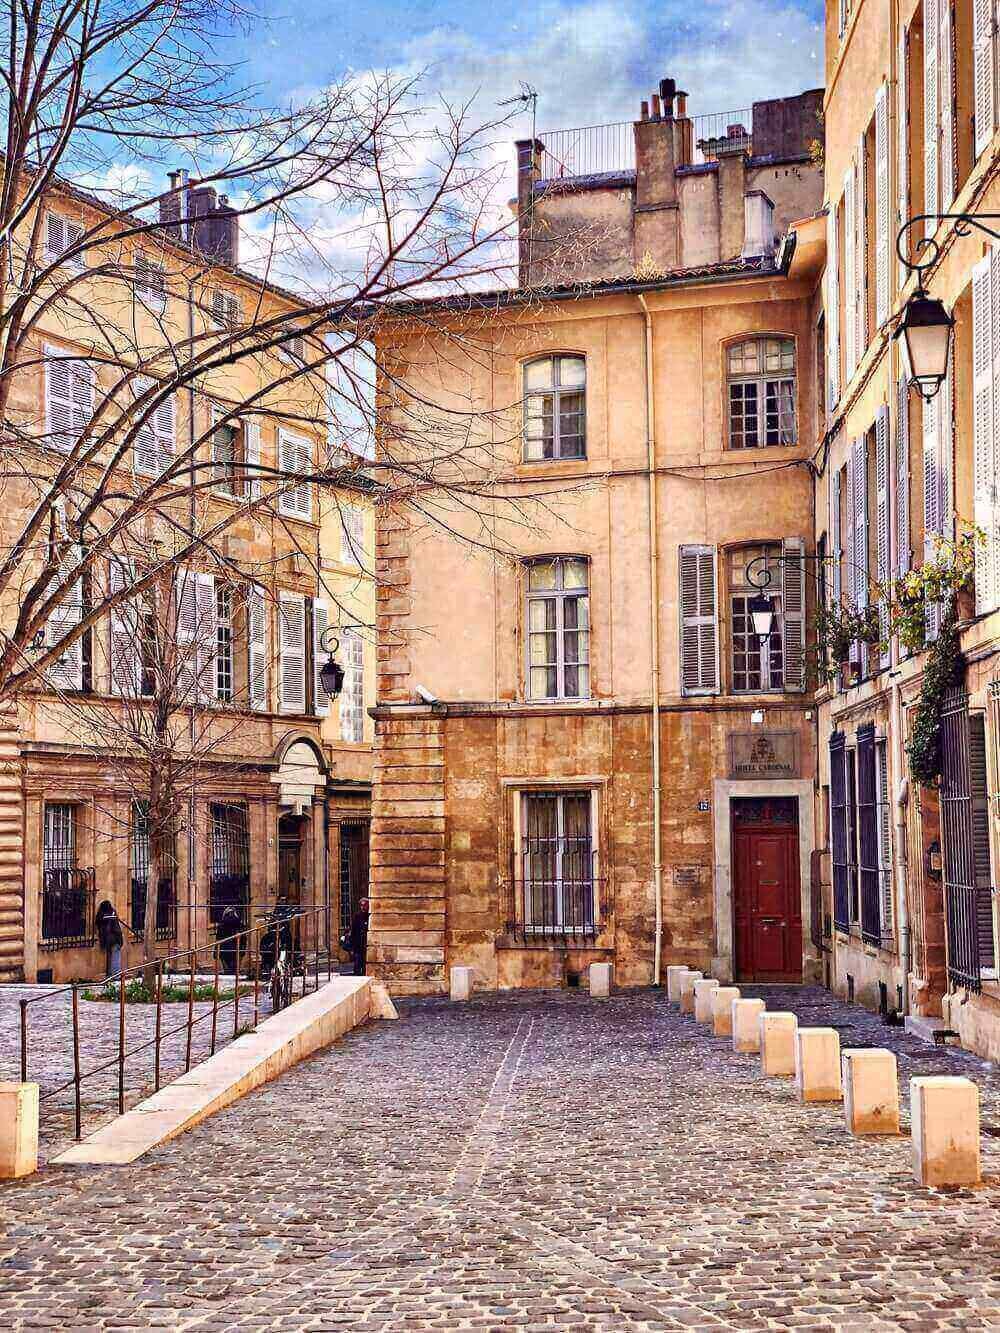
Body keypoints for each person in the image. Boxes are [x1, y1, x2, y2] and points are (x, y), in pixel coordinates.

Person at [95, 900, 124, 979]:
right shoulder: (112, 914)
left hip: (105, 939)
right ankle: (116, 975)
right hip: (115, 938)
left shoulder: (100, 916)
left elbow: (98, 925)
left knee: (109, 957)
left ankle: (109, 974)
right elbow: (116, 928)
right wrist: (120, 939)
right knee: (116, 956)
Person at [345, 897, 369, 976]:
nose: (363, 907)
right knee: (357, 965)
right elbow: (353, 931)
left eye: (364, 905)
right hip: (358, 945)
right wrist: (352, 947)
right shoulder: (357, 916)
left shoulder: (369, 916)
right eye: (361, 905)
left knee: (366, 966)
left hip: (367, 945)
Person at [217, 903, 242, 978]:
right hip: (234, 943)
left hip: (225, 943)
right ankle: (232, 972)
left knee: (226, 960)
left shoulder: (223, 921)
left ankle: (228, 972)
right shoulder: (237, 921)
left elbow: (219, 935)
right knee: (234, 960)